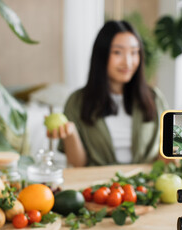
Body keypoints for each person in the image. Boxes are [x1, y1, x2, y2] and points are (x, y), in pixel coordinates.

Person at [48, 20, 168, 167]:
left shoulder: (154, 98)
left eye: (134, 52)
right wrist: (70, 134)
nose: (128, 62)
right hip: (98, 187)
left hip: (146, 185)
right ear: (102, 55)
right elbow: (78, 164)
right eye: (118, 52)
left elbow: (164, 153)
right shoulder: (77, 101)